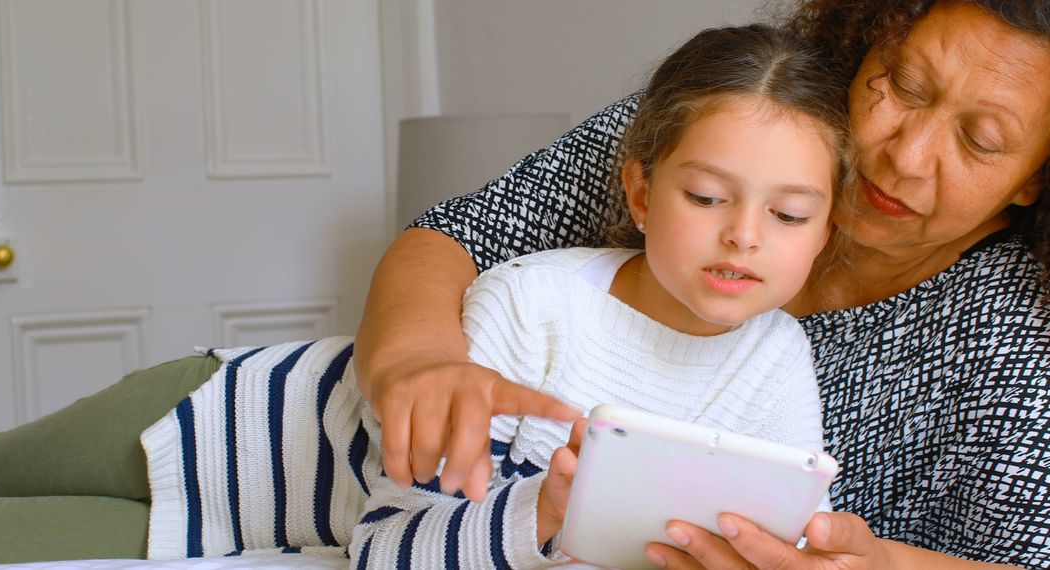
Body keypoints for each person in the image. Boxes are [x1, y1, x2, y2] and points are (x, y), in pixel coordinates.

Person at [353, 1, 1050, 568]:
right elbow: (455, 235)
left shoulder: (1011, 334)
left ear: (1035, 180)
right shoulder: (729, 117)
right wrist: (415, 357)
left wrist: (879, 567)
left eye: (980, 141)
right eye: (902, 86)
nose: (907, 155)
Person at [349, 23, 852, 569]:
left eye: (789, 215)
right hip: (248, 442)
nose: (745, 235)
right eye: (706, 197)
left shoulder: (778, 357)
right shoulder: (531, 307)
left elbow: (789, 547)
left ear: (824, 232)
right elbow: (384, 548)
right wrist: (545, 509)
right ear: (641, 194)